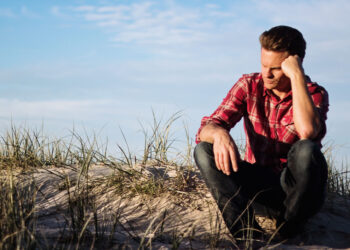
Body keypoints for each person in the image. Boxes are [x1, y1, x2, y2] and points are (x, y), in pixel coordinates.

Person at [194, 25, 329, 241]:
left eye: (276, 68)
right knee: (203, 150)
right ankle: (248, 237)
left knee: (307, 149)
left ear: (295, 64)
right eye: (264, 65)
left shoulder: (314, 93)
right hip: (260, 186)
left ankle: (288, 232)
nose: (267, 73)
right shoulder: (249, 85)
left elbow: (307, 131)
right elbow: (207, 127)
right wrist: (219, 134)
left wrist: (297, 77)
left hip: (300, 192)